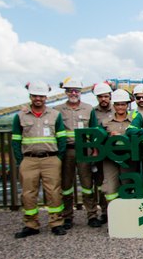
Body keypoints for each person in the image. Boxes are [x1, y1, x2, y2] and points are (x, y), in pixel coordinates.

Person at [12, 81, 67, 238]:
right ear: (30, 96)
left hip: (51, 158)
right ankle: (31, 224)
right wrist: (20, 160)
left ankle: (56, 223)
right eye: (35, 96)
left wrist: (58, 157)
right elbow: (15, 140)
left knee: (54, 192)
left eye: (41, 96)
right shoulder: (20, 116)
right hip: (29, 160)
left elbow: (61, 138)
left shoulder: (55, 115)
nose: (38, 99)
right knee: (28, 194)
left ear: (45, 98)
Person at [56, 77, 98, 229]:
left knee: (87, 184)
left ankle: (92, 215)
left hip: (84, 150)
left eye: (76, 91)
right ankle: (67, 217)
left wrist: (94, 149)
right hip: (66, 151)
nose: (73, 93)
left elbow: (94, 131)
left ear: (80, 92)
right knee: (66, 185)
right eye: (70, 90)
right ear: (66, 92)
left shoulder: (89, 109)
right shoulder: (57, 111)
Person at [98, 89, 136, 211]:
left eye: (123, 104)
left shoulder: (134, 121)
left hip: (128, 159)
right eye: (118, 104)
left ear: (127, 105)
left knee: (127, 185)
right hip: (110, 159)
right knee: (110, 188)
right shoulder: (105, 122)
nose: (120, 107)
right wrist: (109, 137)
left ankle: (127, 215)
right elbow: (99, 141)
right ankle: (113, 215)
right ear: (113, 105)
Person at [91, 81, 113, 224]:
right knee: (101, 184)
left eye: (105, 96)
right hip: (98, 153)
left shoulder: (117, 109)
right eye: (100, 97)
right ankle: (105, 212)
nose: (103, 99)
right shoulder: (92, 112)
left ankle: (116, 211)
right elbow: (91, 133)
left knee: (114, 183)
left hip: (114, 153)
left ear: (110, 96)